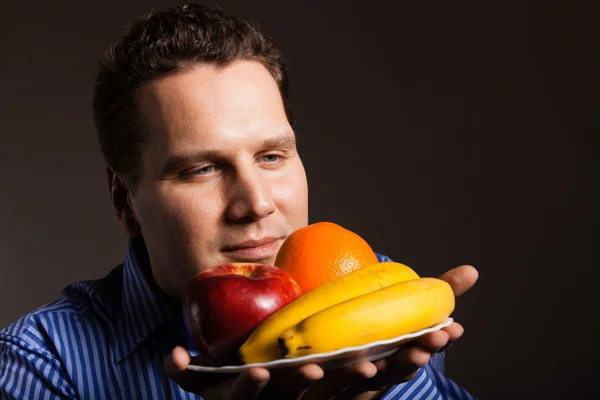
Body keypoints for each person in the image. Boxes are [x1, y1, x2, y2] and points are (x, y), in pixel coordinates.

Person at [0, 3, 479, 399]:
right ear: (124, 201)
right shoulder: (43, 362)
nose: (256, 203)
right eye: (202, 169)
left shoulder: (381, 306)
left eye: (271, 156)